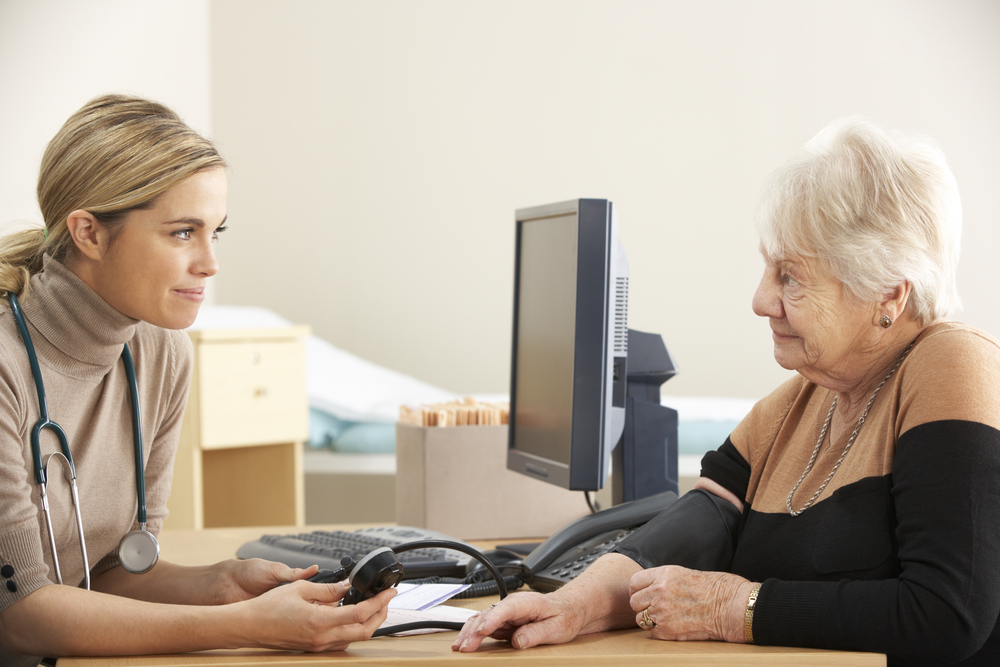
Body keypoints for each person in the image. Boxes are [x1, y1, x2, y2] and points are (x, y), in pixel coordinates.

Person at [453, 118, 1000, 666]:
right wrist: (574, 605)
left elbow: (947, 614)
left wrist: (735, 608)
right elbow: (696, 526)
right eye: (769, 268)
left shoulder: (952, 363)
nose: (761, 301)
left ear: (887, 294)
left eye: (790, 277)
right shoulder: (799, 401)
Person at [0, 95, 395, 667]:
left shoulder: (161, 353)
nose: (210, 263)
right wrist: (246, 625)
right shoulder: (7, 363)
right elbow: (18, 617)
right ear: (89, 233)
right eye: (183, 232)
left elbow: (108, 573)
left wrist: (223, 585)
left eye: (215, 231)